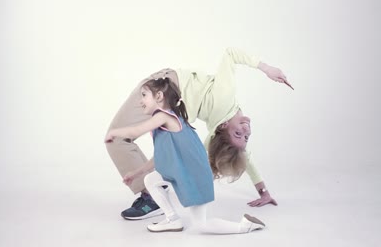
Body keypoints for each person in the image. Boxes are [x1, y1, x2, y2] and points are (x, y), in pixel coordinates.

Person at [105, 47, 291, 220]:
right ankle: (152, 195)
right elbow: (231, 54)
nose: (245, 131)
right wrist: (267, 68)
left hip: (166, 97)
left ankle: (151, 197)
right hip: (170, 89)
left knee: (119, 139)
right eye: (245, 136)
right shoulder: (226, 97)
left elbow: (243, 156)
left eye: (239, 135)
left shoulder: (221, 118)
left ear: (224, 126)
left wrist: (263, 192)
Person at [105, 77, 266, 233]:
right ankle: (172, 219)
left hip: (194, 178)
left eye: (144, 95)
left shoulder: (164, 116)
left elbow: (136, 130)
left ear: (159, 96)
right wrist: (135, 173)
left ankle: (246, 227)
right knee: (150, 179)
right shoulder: (166, 121)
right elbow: (159, 157)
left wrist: (114, 132)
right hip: (185, 174)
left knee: (201, 225)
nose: (141, 101)